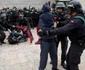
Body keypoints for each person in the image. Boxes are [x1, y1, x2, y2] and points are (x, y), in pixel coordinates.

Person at [38, 1, 85, 70]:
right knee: (68, 60)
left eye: (69, 9)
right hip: (73, 41)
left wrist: (47, 32)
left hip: (78, 43)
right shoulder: (74, 17)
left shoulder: (77, 20)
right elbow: (65, 23)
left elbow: (64, 28)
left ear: (74, 10)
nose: (68, 11)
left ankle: (63, 62)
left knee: (73, 62)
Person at [39, 4, 58, 70]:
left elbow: (42, 27)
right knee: (54, 55)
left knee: (44, 56)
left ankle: (41, 68)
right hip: (52, 38)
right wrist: (52, 28)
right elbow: (55, 25)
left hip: (45, 40)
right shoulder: (52, 15)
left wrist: (48, 30)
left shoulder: (42, 16)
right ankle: (54, 67)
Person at [51, 2, 68, 69]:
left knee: (64, 50)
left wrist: (59, 22)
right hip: (56, 35)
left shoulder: (65, 15)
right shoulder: (54, 14)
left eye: (60, 9)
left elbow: (66, 22)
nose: (58, 10)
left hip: (63, 35)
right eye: (58, 9)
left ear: (63, 9)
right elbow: (53, 22)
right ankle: (53, 60)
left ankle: (63, 62)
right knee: (54, 49)